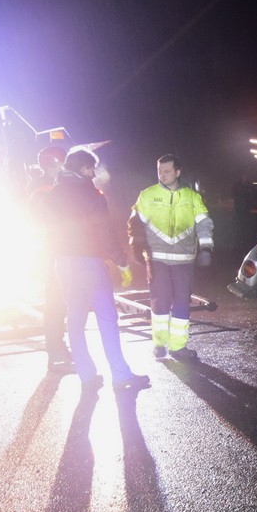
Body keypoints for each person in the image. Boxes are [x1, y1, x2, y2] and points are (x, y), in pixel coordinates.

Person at [44, 149, 149, 393]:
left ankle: (87, 375)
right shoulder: (90, 194)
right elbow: (104, 232)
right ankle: (121, 375)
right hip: (89, 262)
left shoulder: (52, 195)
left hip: (63, 263)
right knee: (107, 317)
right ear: (83, 168)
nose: (94, 172)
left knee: (75, 318)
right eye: (91, 168)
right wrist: (121, 261)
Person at [128, 154, 214, 361]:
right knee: (160, 303)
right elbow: (135, 223)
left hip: (184, 261)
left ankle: (178, 347)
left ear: (178, 172)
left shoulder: (192, 197)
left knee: (182, 303)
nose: (162, 175)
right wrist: (136, 246)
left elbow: (204, 224)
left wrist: (206, 249)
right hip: (157, 260)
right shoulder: (147, 195)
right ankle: (159, 344)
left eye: (167, 171)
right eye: (159, 171)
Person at [28, 145, 71, 371]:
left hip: (62, 252)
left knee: (61, 303)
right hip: (52, 254)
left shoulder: (54, 187)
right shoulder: (43, 189)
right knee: (55, 303)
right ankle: (55, 353)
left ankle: (59, 348)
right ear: (52, 164)